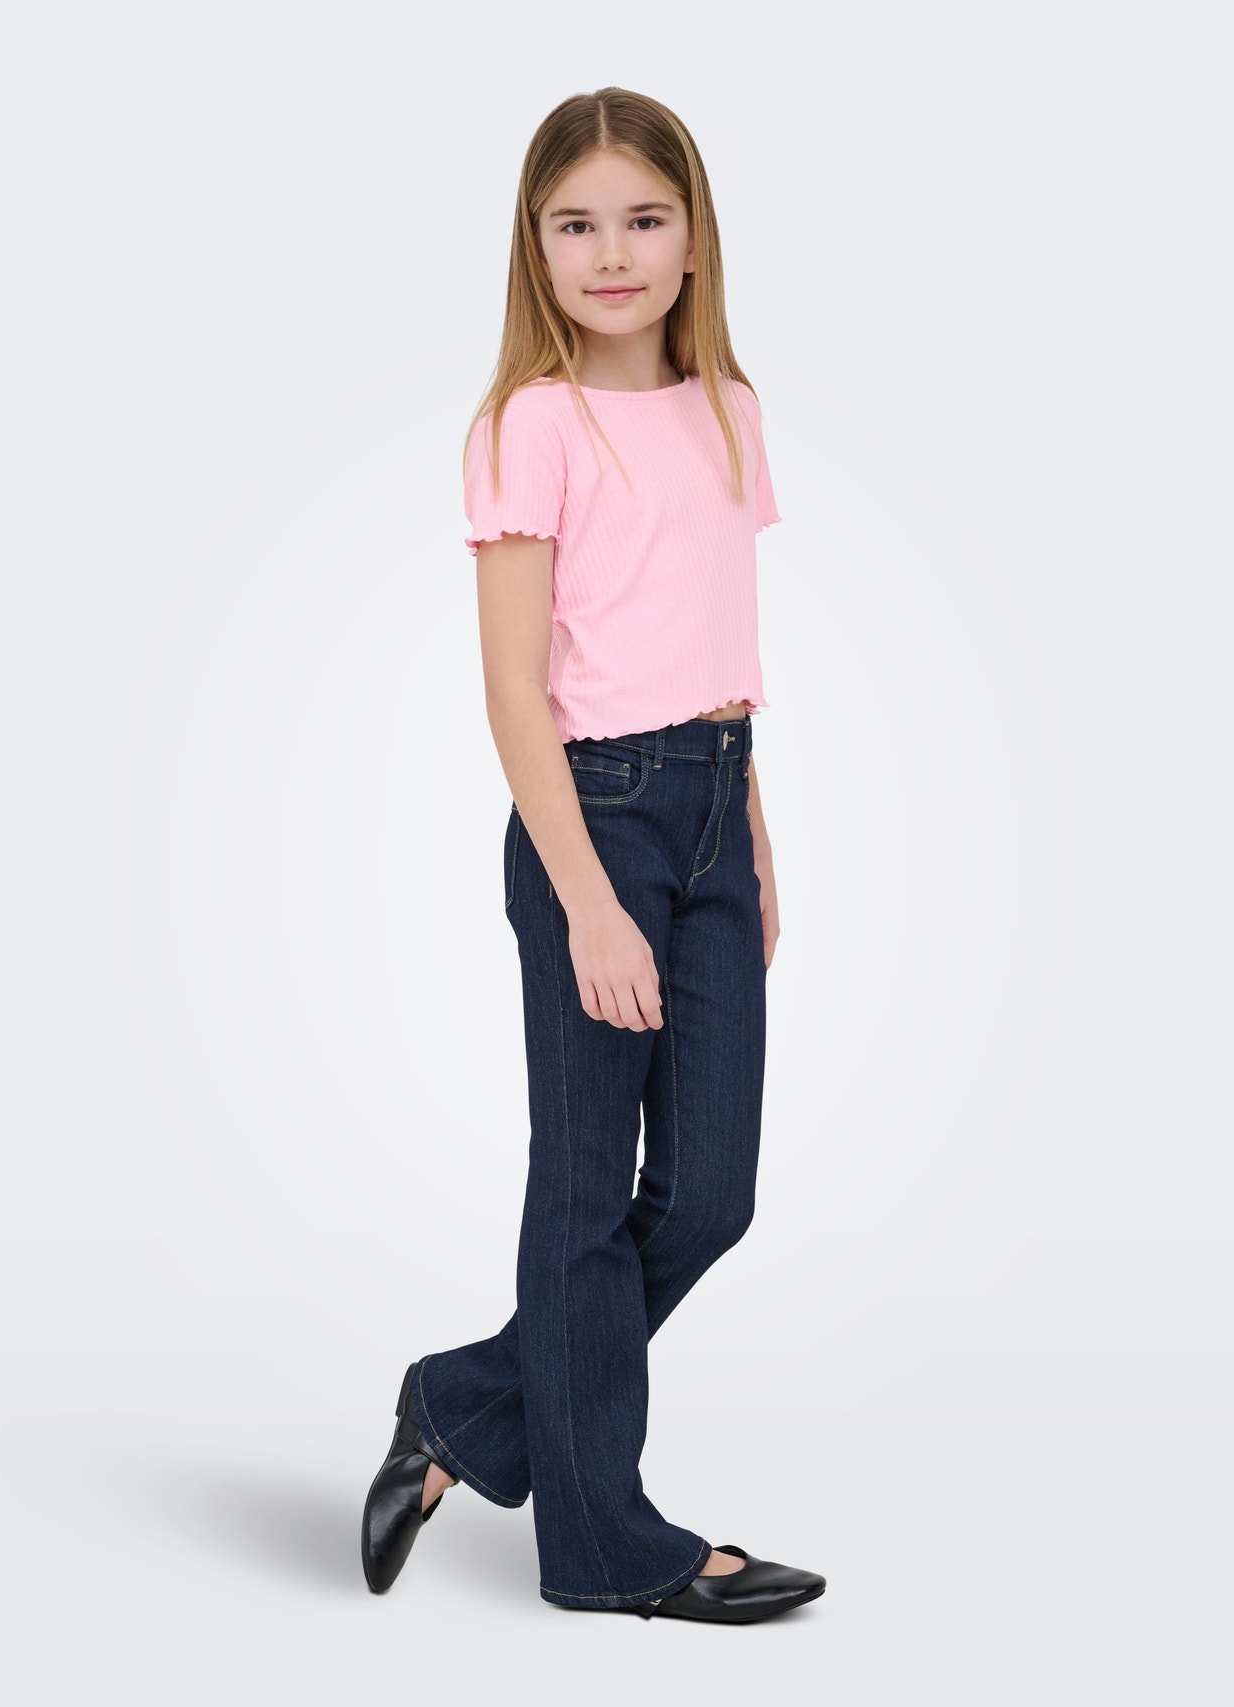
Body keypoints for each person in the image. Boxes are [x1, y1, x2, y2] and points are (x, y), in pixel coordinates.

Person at [361, 86, 826, 1625]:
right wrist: (587, 906)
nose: (611, 253)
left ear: (693, 239)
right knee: (583, 1195)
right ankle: (605, 1545)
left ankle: (465, 1405)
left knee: (707, 1197)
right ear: (535, 244)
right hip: (595, 817)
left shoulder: (729, 407)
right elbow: (513, 693)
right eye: (576, 224)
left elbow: (719, 643)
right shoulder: (529, 426)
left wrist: (752, 835)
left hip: (713, 807)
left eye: (643, 219)